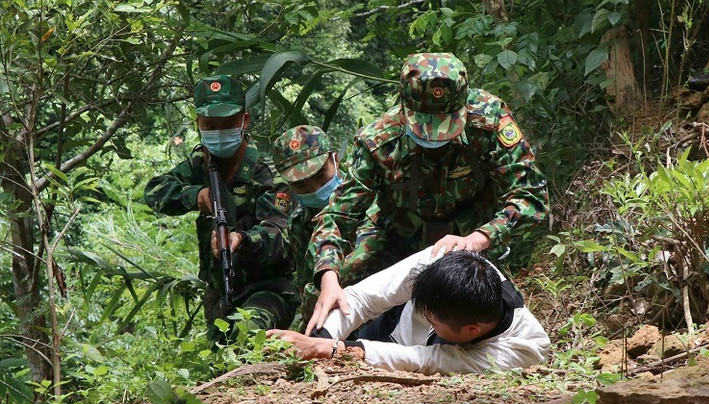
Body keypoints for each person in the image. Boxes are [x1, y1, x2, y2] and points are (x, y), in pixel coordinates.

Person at [306, 52, 550, 334]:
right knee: (328, 291)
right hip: (395, 233)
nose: (435, 136)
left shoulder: (490, 121)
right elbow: (337, 215)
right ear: (405, 108)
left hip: (467, 240)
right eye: (425, 124)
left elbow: (531, 194)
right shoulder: (379, 141)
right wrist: (328, 277)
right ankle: (308, 350)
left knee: (487, 313)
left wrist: (481, 238)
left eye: (446, 123)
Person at [144, 75, 298, 341]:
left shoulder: (267, 173)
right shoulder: (200, 163)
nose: (218, 132)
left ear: (244, 121)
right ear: (198, 124)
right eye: (210, 125)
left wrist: (243, 240)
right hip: (220, 293)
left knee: (247, 338)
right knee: (219, 366)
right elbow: (155, 191)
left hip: (267, 290)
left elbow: (279, 236)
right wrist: (195, 196)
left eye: (227, 124)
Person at [267, 248, 550, 375]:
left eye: (433, 320)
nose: (425, 319)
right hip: (391, 330)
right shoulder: (444, 259)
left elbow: (425, 359)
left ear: (472, 330)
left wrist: (332, 350)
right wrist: (322, 335)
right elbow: (363, 298)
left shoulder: (521, 350)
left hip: (404, 351)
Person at [271, 125, 384, 327]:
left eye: (320, 176)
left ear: (335, 159)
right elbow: (307, 283)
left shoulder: (370, 197)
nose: (315, 189)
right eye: (301, 185)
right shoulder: (299, 223)